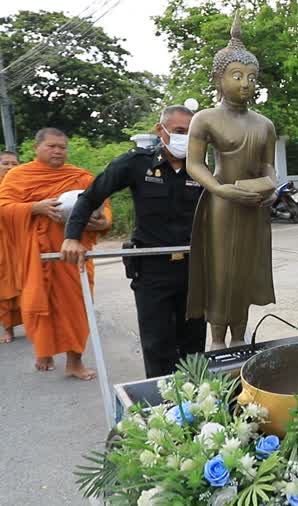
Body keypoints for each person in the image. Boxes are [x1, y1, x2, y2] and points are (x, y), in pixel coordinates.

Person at [61, 106, 206, 378]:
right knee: (158, 346)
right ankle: (163, 412)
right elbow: (89, 197)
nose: (185, 138)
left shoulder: (201, 167)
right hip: (152, 270)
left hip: (194, 270)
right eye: (179, 132)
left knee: (194, 347)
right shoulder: (136, 163)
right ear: (159, 130)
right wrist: (72, 237)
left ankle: (200, 410)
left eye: (191, 133)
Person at [186, 13, 277, 349]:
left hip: (253, 205)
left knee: (245, 272)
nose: (245, 84)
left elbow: (268, 166)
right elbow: (194, 163)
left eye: (251, 78)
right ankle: (218, 341)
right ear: (218, 78)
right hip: (221, 203)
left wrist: (269, 188)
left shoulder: (264, 124)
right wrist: (219, 189)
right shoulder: (205, 118)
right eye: (236, 76)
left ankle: (240, 336)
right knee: (221, 272)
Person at [0, 128, 111, 379]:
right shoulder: (18, 176)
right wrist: (34, 207)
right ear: (36, 147)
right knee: (37, 306)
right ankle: (44, 350)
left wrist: (103, 223)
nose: (58, 151)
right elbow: (3, 208)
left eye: (62, 147)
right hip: (35, 258)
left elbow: (103, 206)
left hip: (73, 257)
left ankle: (75, 362)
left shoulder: (79, 177)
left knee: (77, 308)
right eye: (52, 146)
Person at [0, 150, 23, 343]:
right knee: (3, 289)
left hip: (22, 243)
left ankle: (36, 326)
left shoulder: (23, 187)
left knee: (30, 285)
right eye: (5, 163)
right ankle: (8, 330)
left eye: (13, 164)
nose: (9, 167)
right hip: (1, 247)